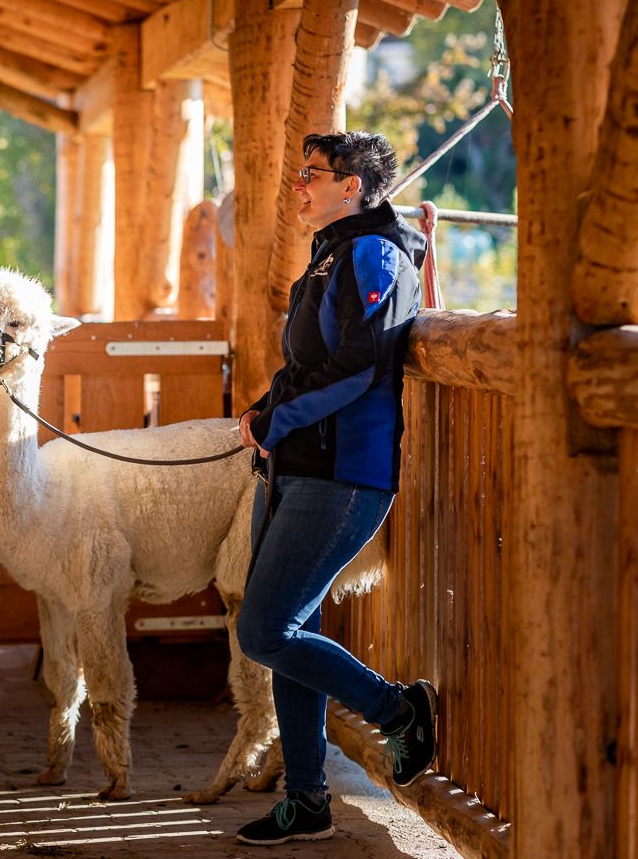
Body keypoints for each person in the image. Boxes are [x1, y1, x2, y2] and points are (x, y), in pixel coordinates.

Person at [233, 131, 436, 846]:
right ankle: (308, 799)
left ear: (352, 187)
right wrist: (265, 407)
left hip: (344, 473)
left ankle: (396, 712)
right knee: (295, 631)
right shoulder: (329, 255)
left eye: (312, 175)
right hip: (299, 464)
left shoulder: (374, 254)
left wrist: (277, 419)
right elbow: (309, 362)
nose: (300, 185)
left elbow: (357, 369)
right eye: (302, 173)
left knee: (264, 631)